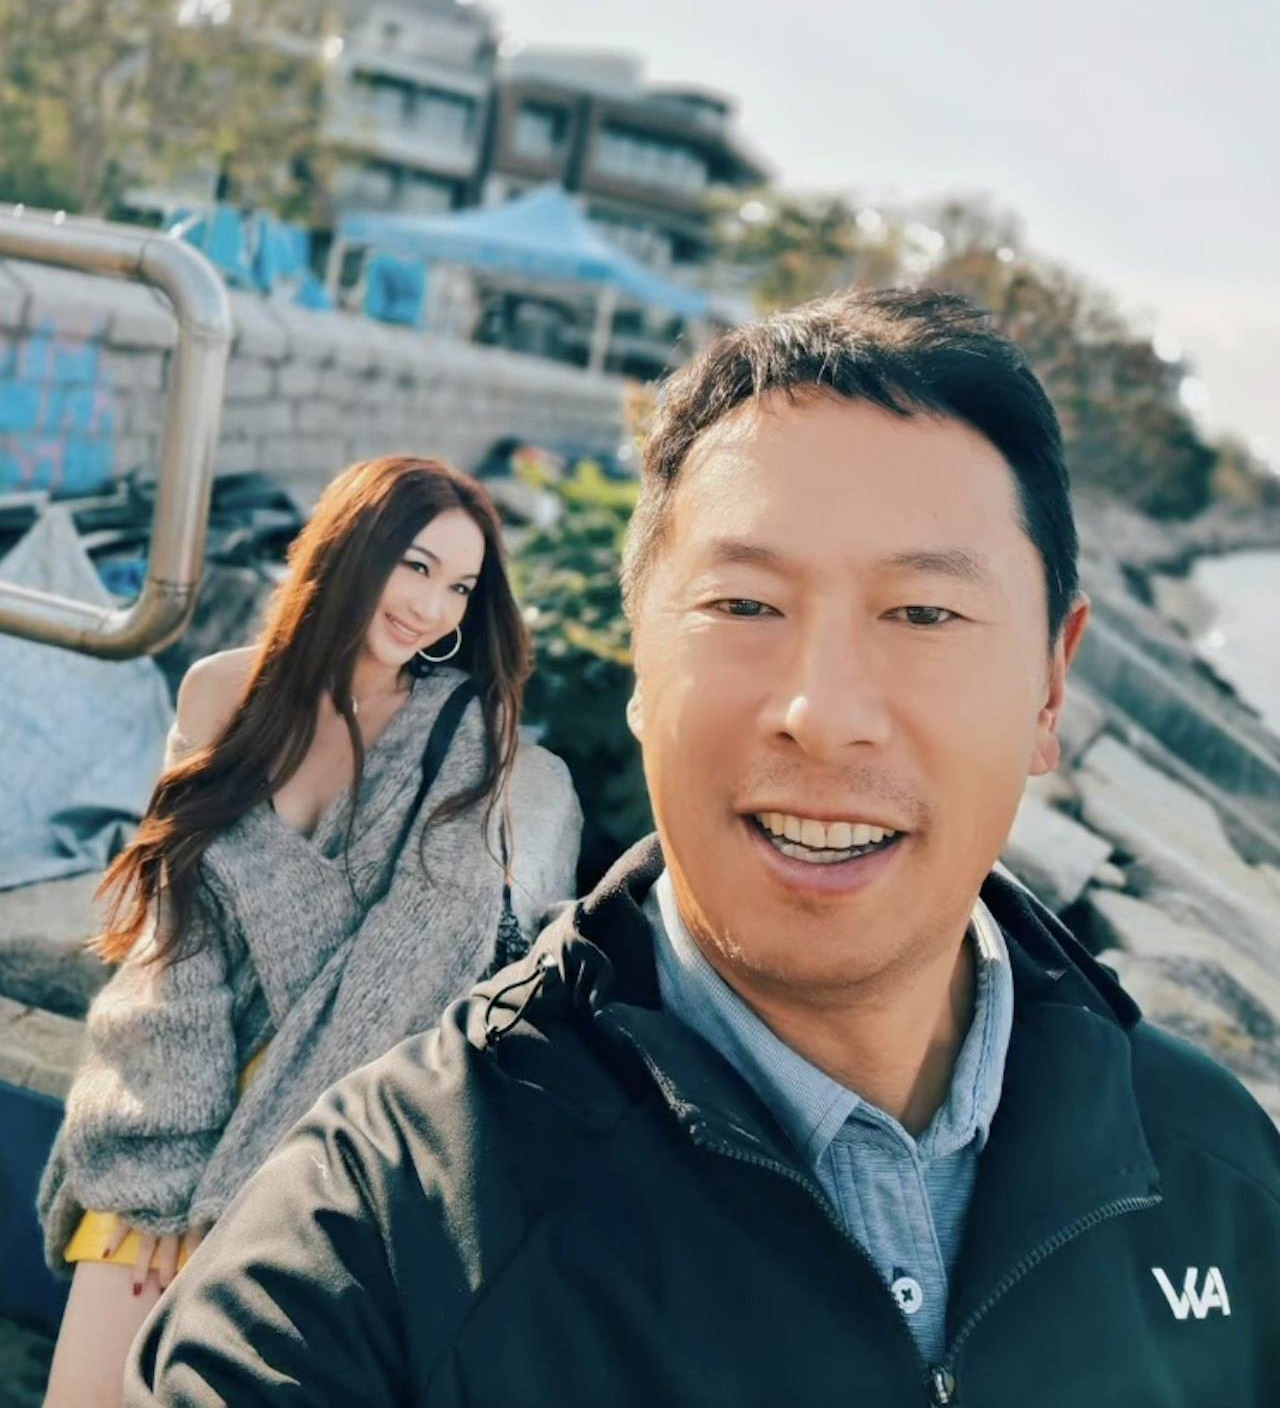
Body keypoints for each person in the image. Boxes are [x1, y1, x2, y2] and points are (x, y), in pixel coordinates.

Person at [125, 293, 1279, 1407]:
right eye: (742, 607)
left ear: (1049, 689)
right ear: (640, 664)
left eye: (923, 614)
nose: (821, 714)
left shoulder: (1221, 1172)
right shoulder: (375, 1241)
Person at [38, 454, 582, 1408]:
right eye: (415, 566)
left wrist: (242, 1195)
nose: (433, 607)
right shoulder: (221, 692)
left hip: (323, 1139)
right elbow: (172, 940)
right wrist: (168, 1166)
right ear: (350, 549)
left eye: (461, 587)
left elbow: (400, 983)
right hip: (176, 1093)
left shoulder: (465, 738)